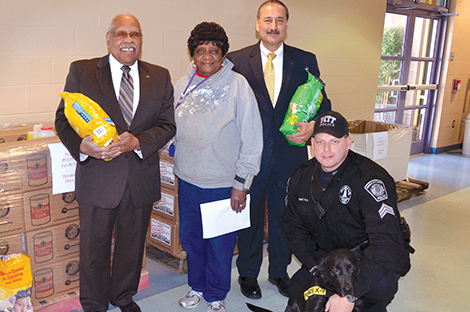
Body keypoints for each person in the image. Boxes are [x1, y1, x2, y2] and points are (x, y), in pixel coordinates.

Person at [54, 14, 176, 312]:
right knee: (94, 248)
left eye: (135, 34)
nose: (128, 40)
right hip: (98, 177)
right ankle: (94, 303)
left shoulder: (159, 76)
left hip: (139, 177)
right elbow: (63, 119)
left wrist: (138, 142)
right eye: (121, 34)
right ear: (108, 39)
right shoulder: (83, 71)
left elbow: (167, 125)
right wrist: (82, 147)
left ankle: (123, 296)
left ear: (141, 41)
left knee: (132, 247)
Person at [226, 0, 332, 299]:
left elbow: (323, 103)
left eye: (280, 20)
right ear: (257, 24)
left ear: (287, 24)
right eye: (268, 20)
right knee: (250, 219)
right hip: (250, 158)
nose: (274, 26)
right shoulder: (236, 60)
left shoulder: (305, 60)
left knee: (286, 219)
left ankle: (279, 272)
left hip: (290, 158)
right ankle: (248, 274)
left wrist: (313, 126)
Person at [173, 22, 262, 312]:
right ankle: (196, 286)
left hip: (224, 184)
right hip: (188, 180)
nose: (207, 56)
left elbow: (252, 138)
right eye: (201, 50)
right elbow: (171, 127)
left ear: (223, 54)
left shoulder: (238, 86)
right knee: (192, 240)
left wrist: (241, 183)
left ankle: (216, 295)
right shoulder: (181, 85)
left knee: (220, 245)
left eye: (214, 50)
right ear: (192, 55)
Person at [283, 111, 411, 312]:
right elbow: (294, 228)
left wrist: (352, 293)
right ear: (312, 144)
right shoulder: (301, 178)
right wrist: (314, 266)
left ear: (348, 142)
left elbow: (387, 243)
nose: (326, 149)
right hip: (327, 257)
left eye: (334, 142)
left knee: (379, 289)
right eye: (320, 142)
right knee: (296, 291)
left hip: (366, 256)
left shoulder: (370, 179)